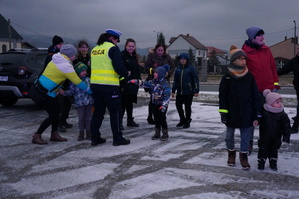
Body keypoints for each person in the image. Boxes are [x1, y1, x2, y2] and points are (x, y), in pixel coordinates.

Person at [31, 44, 92, 145]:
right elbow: (77, 81)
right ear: (69, 55)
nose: (75, 57)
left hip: (44, 90)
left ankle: (54, 134)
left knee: (57, 112)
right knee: (53, 115)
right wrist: (89, 91)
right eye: (74, 55)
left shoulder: (56, 59)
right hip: (44, 92)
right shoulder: (66, 66)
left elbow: (54, 76)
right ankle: (37, 135)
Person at [219, 45, 260, 170]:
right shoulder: (227, 77)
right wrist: (223, 113)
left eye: (244, 59)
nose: (244, 61)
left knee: (245, 137)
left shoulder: (249, 76)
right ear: (234, 61)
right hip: (231, 112)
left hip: (246, 112)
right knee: (229, 136)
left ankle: (244, 156)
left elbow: (255, 96)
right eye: (241, 58)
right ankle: (231, 154)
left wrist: (257, 113)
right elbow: (223, 96)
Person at [242, 26, 280, 154]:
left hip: (269, 91)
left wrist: (275, 85)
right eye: (259, 36)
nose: (262, 38)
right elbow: (243, 72)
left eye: (263, 35)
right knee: (252, 119)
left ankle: (265, 144)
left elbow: (272, 68)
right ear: (252, 37)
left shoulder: (266, 50)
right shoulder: (245, 52)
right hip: (253, 92)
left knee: (268, 120)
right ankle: (248, 144)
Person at [90, 29, 131, 146]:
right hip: (110, 86)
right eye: (117, 40)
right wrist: (126, 73)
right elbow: (118, 66)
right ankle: (117, 138)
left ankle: (95, 137)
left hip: (95, 86)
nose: (117, 43)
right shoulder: (112, 48)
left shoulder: (94, 50)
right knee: (115, 112)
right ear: (113, 38)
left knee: (98, 112)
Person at [129, 64, 171, 141]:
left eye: (156, 73)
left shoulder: (165, 84)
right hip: (154, 103)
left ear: (161, 74)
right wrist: (136, 81)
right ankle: (157, 132)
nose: (154, 74)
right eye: (154, 72)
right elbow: (145, 84)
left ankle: (165, 133)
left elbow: (167, 96)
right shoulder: (153, 82)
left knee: (162, 118)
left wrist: (164, 105)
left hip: (162, 104)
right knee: (156, 118)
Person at [257, 89, 291, 171]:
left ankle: (273, 162)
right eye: (277, 102)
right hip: (264, 136)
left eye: (280, 102)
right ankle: (261, 162)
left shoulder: (282, 115)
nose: (280, 104)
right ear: (270, 103)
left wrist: (286, 138)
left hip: (276, 137)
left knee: (274, 150)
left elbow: (287, 127)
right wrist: (256, 121)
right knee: (262, 149)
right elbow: (259, 119)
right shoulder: (264, 112)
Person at [59, 62, 93, 141]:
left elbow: (92, 90)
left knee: (88, 118)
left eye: (85, 70)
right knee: (81, 118)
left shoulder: (88, 80)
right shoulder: (74, 82)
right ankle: (81, 133)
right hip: (79, 103)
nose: (85, 72)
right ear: (78, 72)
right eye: (83, 71)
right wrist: (64, 93)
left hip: (89, 102)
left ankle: (89, 132)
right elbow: (71, 91)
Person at [144, 43, 175, 124]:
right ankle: (151, 117)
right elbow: (146, 67)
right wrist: (153, 71)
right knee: (153, 100)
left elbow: (172, 67)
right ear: (155, 50)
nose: (160, 52)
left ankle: (162, 116)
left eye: (162, 50)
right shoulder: (151, 57)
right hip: (154, 81)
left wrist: (168, 73)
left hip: (164, 81)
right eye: (159, 50)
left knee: (164, 99)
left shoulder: (167, 57)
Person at [172, 53, 199, 128]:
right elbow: (175, 81)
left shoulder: (191, 69)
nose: (182, 60)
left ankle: (187, 120)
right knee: (178, 105)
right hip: (180, 92)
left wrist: (196, 90)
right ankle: (182, 119)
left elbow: (195, 80)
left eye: (184, 59)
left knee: (187, 107)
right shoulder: (178, 69)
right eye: (181, 59)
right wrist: (173, 90)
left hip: (188, 92)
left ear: (187, 60)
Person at [120, 38, 141, 129]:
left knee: (130, 103)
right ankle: (119, 122)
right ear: (126, 46)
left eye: (133, 46)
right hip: (124, 84)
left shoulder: (135, 56)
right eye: (129, 46)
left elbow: (137, 69)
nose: (131, 48)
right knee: (122, 104)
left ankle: (130, 120)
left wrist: (139, 80)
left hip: (133, 84)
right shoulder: (121, 55)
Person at [277, 45, 299, 133]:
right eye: (298, 48)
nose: (298, 50)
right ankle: (295, 125)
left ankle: (295, 126)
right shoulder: (294, 61)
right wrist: (273, 73)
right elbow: (284, 70)